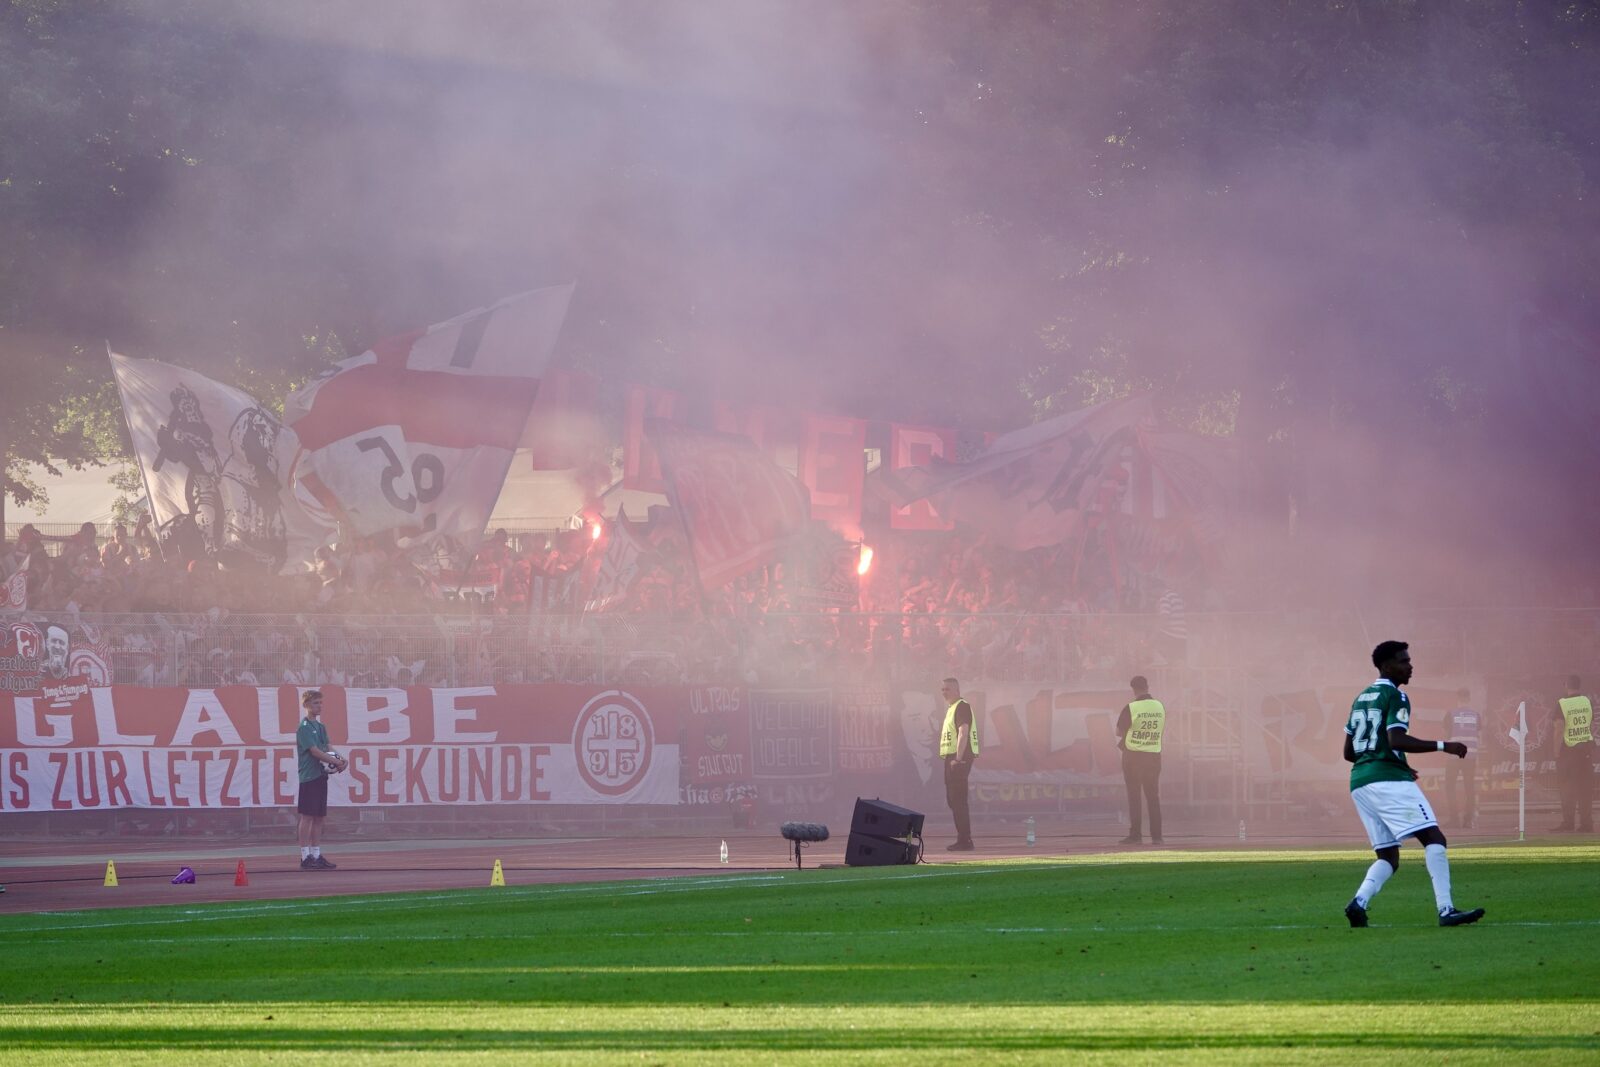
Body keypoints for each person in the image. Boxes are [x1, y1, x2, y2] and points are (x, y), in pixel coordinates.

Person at [1343, 641, 1483, 928]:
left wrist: (1393, 761)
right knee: (1434, 838)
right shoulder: (1397, 695)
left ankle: (1359, 902)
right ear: (1386, 666)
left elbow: (1349, 752)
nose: (1410, 666)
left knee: (1388, 856)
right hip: (1388, 781)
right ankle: (1446, 909)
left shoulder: (1360, 698)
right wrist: (1445, 745)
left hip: (1360, 783)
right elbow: (1396, 739)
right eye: (1403, 661)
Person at [296, 690, 347, 870]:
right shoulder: (304, 727)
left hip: (321, 775)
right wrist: (336, 762)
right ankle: (305, 857)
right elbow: (315, 751)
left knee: (319, 817)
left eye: (320, 703)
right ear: (306, 705)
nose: (319, 706)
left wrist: (342, 759)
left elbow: (328, 747)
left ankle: (316, 855)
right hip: (309, 776)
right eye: (315, 703)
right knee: (307, 816)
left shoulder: (321, 726)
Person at [1116, 675, 1165, 845]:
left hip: (1134, 756)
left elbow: (1119, 732)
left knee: (1134, 796)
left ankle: (1136, 835)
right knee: (1153, 797)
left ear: (1134, 689)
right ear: (1147, 686)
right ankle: (1157, 836)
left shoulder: (1132, 707)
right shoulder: (1159, 706)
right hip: (1153, 756)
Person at [938, 676, 978, 851]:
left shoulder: (961, 706)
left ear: (957, 690)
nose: (944, 692)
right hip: (952, 758)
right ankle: (964, 838)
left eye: (947, 689)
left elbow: (963, 731)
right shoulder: (952, 708)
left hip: (958, 758)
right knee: (953, 800)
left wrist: (958, 759)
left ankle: (964, 840)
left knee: (958, 800)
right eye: (942, 689)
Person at [1551, 675, 1594, 833]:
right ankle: (1587, 824)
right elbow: (1590, 723)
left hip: (1568, 751)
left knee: (1567, 788)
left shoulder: (1562, 704)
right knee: (1585, 789)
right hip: (1586, 749)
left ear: (1566, 686)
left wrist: (1556, 752)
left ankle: (1568, 822)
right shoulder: (1586, 701)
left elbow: (1559, 728)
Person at [1441, 688, 1480, 829]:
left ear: (1457, 698)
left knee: (1450, 787)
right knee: (1469, 788)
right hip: (1470, 756)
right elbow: (1478, 733)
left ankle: (1454, 819)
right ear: (1469, 699)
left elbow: (1446, 734)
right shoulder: (1476, 715)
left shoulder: (1451, 714)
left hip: (1455, 756)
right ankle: (1468, 820)